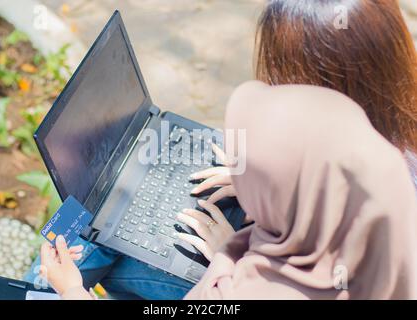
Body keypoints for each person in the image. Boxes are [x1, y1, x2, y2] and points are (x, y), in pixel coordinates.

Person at [25, 0, 417, 299]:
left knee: (71, 269)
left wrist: (229, 262)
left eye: (281, 77)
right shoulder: (391, 155)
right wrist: (254, 176)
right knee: (107, 222)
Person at [40, 83, 417, 299]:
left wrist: (73, 291)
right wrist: (256, 181)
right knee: (109, 227)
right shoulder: (392, 176)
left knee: (96, 249)